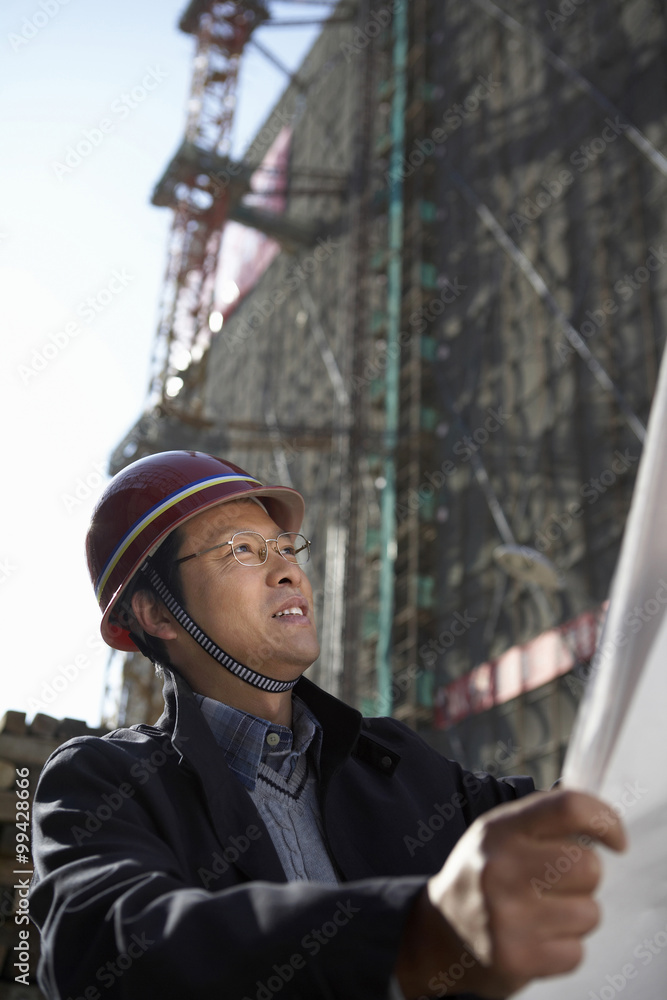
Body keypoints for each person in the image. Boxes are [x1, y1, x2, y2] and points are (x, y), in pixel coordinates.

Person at [30, 450, 626, 1000]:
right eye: (241, 549)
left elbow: (567, 822)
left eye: (287, 548)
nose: (288, 571)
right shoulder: (104, 783)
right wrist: (414, 935)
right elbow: (110, 952)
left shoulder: (392, 758)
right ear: (157, 611)